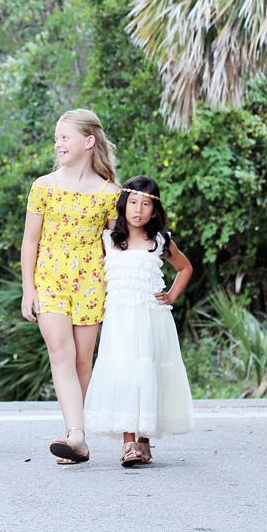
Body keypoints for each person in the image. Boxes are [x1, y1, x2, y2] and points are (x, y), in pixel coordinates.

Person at [21, 108, 119, 466]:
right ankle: (75, 434)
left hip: (91, 278)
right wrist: (28, 289)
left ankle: (80, 437)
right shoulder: (43, 186)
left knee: (81, 359)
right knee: (60, 352)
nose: (58, 143)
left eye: (65, 137)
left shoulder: (111, 194)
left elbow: (117, 243)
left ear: (88, 142)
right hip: (49, 275)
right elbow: (30, 241)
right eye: (57, 137)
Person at [83, 175, 194, 467]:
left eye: (146, 204)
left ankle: (144, 443)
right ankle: (128, 443)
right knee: (126, 375)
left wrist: (171, 296)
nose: (138, 209)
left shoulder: (159, 241)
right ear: (123, 204)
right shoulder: (109, 239)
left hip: (151, 319)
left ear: (154, 211)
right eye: (133, 202)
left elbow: (185, 268)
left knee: (148, 374)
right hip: (121, 319)